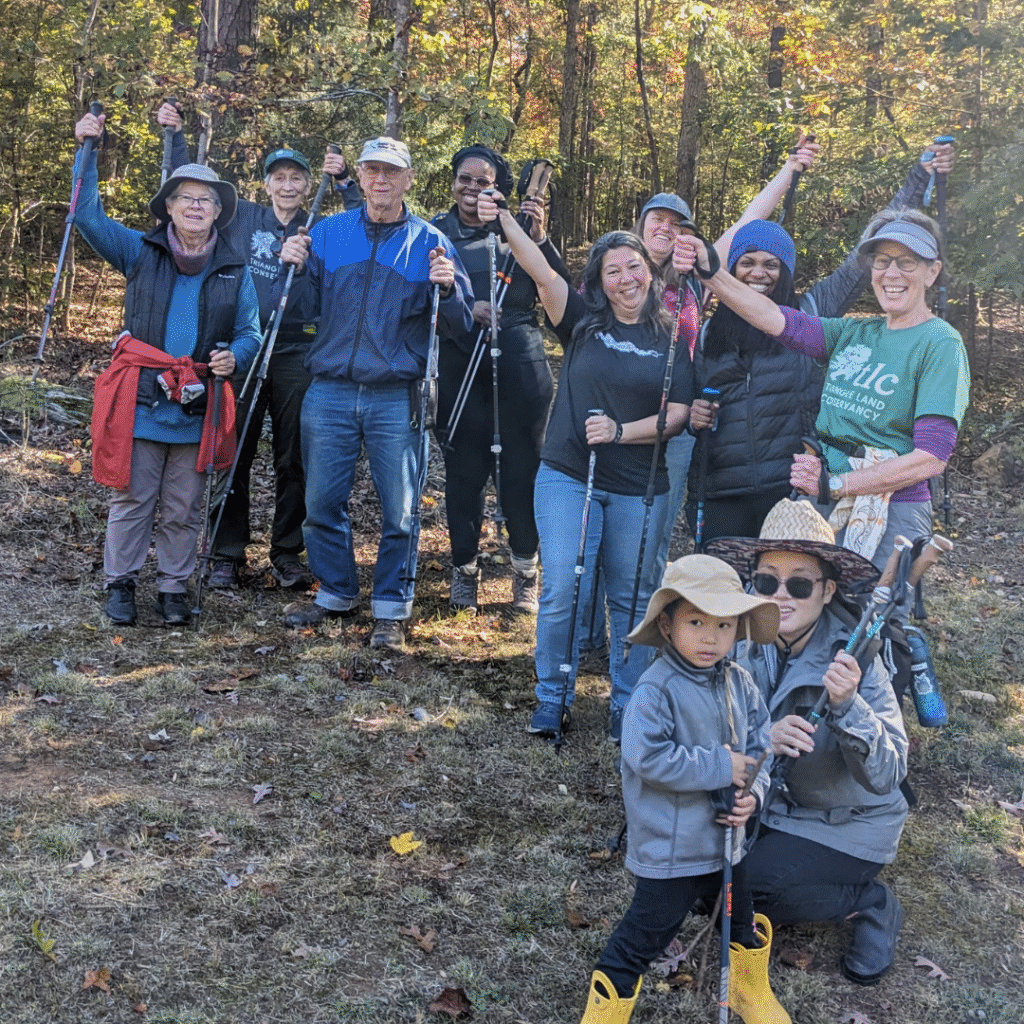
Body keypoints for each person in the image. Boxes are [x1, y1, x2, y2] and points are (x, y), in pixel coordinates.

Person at [476, 191, 693, 741]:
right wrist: (506, 219)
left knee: (633, 598)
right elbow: (540, 268)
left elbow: (679, 414)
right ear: (599, 281)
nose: (625, 278)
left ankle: (629, 703)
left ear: (650, 272)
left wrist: (623, 432)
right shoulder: (581, 322)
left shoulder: (670, 336)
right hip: (570, 475)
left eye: (633, 267)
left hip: (640, 484)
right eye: (612, 270)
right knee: (562, 590)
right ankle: (553, 696)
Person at [683, 141, 957, 547]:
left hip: (795, 483)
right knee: (723, 583)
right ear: (733, 268)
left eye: (772, 264)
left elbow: (866, 257)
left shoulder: (813, 314)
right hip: (723, 486)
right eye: (747, 262)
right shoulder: (710, 331)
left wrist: (920, 178)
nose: (758, 273)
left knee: (788, 584)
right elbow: (693, 400)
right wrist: (696, 416)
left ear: (787, 271)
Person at [278, 137, 473, 652]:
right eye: (372, 170)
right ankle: (336, 592)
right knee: (321, 501)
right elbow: (296, 309)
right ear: (360, 177)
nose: (381, 179)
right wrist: (291, 264)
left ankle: (391, 607)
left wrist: (449, 288)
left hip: (397, 395)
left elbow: (461, 326)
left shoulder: (431, 243)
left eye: (391, 171)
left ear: (409, 179)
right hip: (330, 390)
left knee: (401, 510)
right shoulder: (328, 233)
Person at [156, 102, 359, 591]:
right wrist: (175, 137)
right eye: (279, 178)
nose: (287, 186)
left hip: (297, 350)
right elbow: (192, 192)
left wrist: (345, 180)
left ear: (307, 185)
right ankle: (226, 552)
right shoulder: (243, 218)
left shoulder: (322, 227)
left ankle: (287, 552)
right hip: (243, 348)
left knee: (294, 455)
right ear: (266, 184)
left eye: (296, 178)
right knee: (234, 445)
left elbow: (364, 222)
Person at [578, 554, 789, 1024]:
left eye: (724, 625)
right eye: (696, 622)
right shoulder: (656, 690)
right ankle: (605, 1011)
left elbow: (760, 746)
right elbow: (646, 756)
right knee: (646, 933)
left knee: (741, 918)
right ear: (667, 624)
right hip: (673, 849)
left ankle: (748, 989)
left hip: (727, 840)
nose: (711, 637)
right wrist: (721, 766)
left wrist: (754, 794)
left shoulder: (740, 682)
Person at [706, 498, 909, 985]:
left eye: (799, 584)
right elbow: (703, 729)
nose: (781, 596)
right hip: (770, 803)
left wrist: (848, 706)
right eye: (766, 582)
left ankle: (870, 902)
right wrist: (763, 739)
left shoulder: (857, 655)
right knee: (698, 881)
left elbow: (889, 774)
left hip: (846, 821)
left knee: (748, 892)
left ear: (827, 590)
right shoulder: (735, 637)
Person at [73, 109, 261, 625]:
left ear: (218, 212)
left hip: (198, 404)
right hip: (141, 397)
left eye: (206, 200)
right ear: (170, 207)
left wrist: (235, 357)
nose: (196, 206)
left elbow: (250, 332)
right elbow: (87, 218)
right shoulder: (140, 251)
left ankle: (174, 589)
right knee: (133, 499)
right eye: (186, 198)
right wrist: (86, 152)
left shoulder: (234, 268)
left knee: (183, 505)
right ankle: (120, 584)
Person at [430, 145, 569, 614]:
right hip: (459, 360)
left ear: (499, 188)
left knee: (521, 472)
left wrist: (540, 237)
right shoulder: (436, 232)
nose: (472, 188)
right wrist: (466, 306)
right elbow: (417, 293)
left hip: (520, 358)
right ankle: (465, 570)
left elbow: (558, 287)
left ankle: (526, 571)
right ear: (453, 181)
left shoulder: (518, 230)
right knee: (464, 473)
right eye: (464, 178)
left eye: (483, 181)